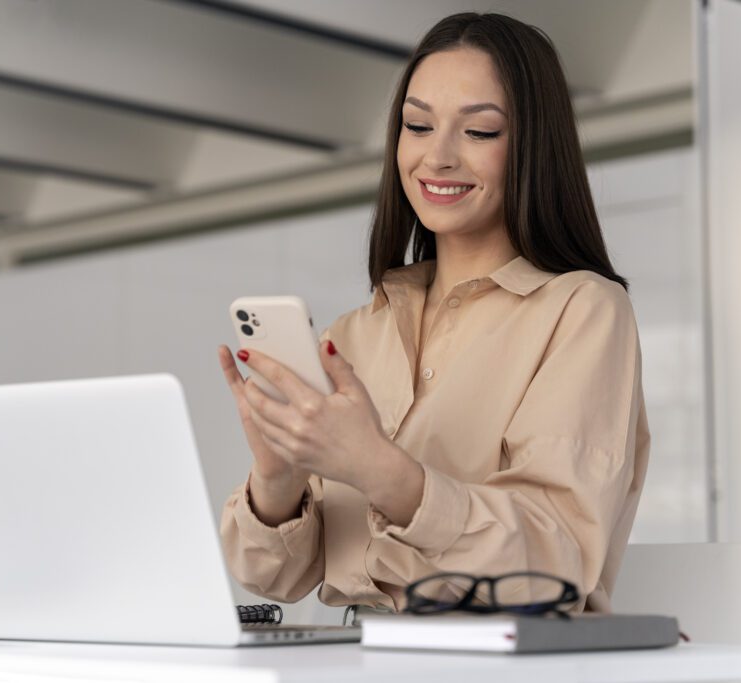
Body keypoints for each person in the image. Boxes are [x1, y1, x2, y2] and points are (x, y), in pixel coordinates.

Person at [216, 11, 649, 616]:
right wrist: (278, 477)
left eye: (479, 132)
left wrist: (381, 470)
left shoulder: (583, 311)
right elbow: (272, 577)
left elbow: (557, 560)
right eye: (417, 125)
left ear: (533, 145)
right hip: (353, 658)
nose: (437, 157)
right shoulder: (353, 336)